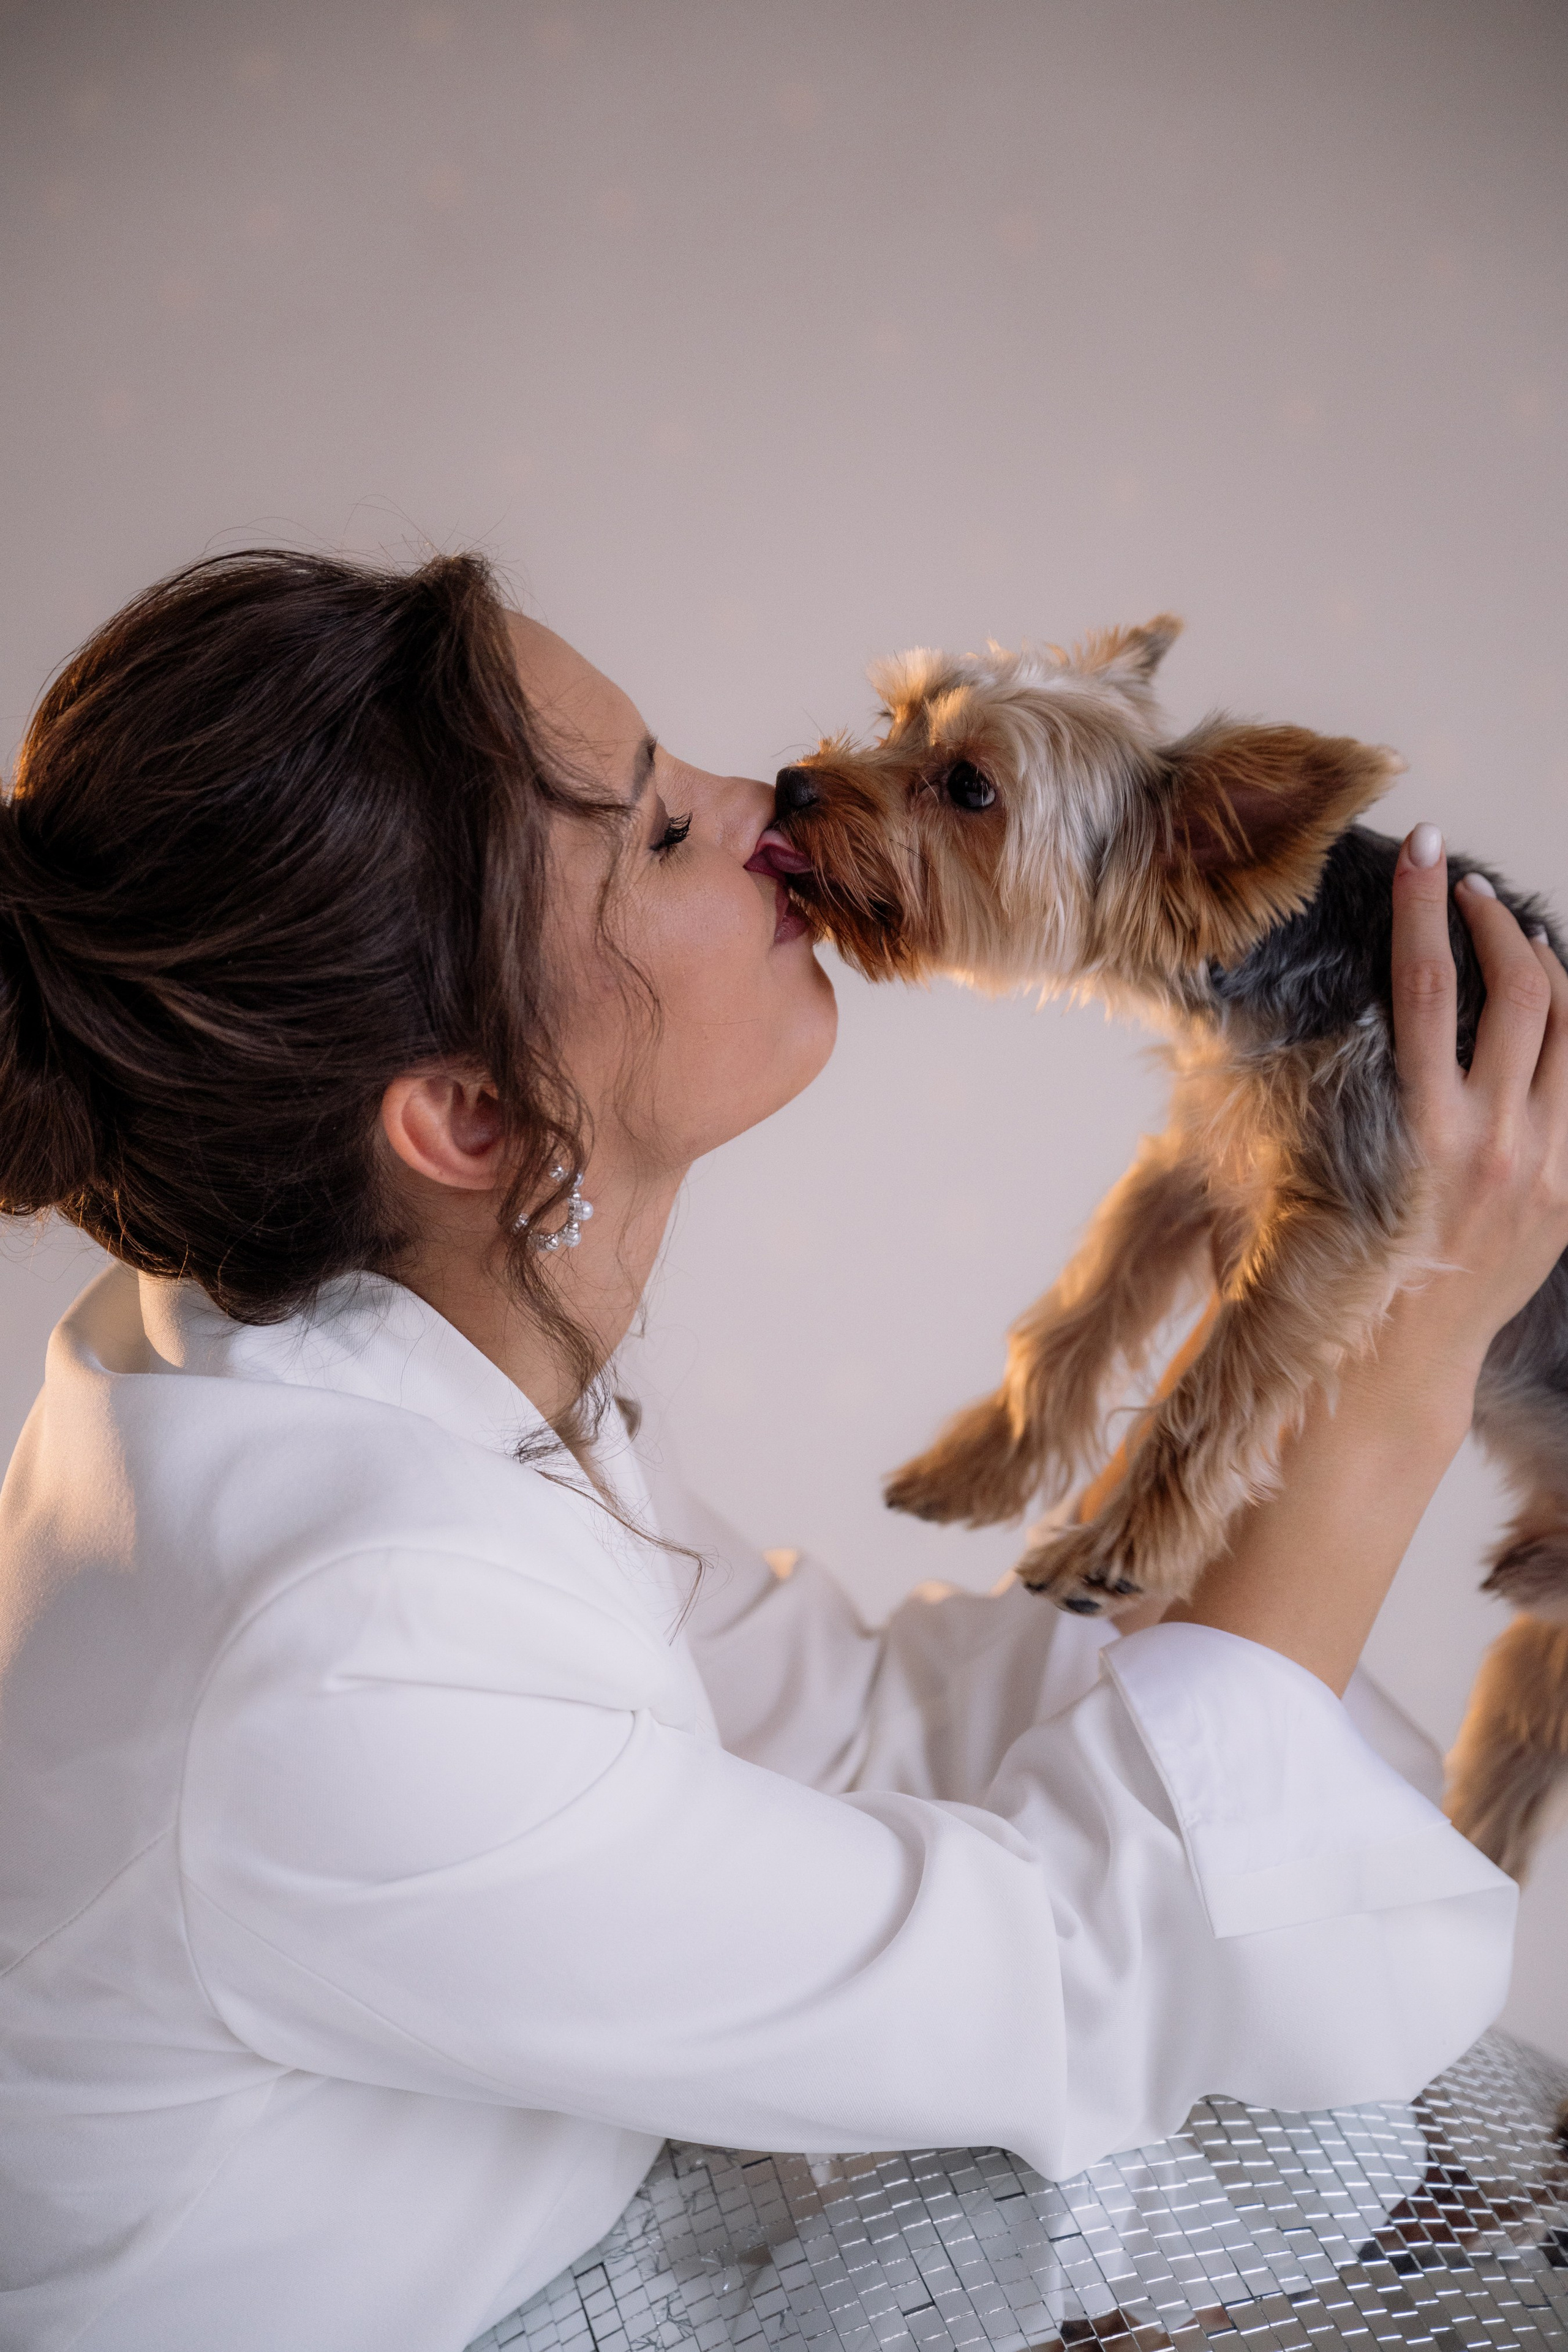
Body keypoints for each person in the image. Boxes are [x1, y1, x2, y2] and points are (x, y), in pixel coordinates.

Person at [0, 550, 1559, 2352]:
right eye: (659, 832)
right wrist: (1405, 1360)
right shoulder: (351, 1638)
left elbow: (857, 1729)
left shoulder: (366, 1366)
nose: (763, 806)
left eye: (679, 767)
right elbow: (1076, 1984)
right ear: (472, 1115)